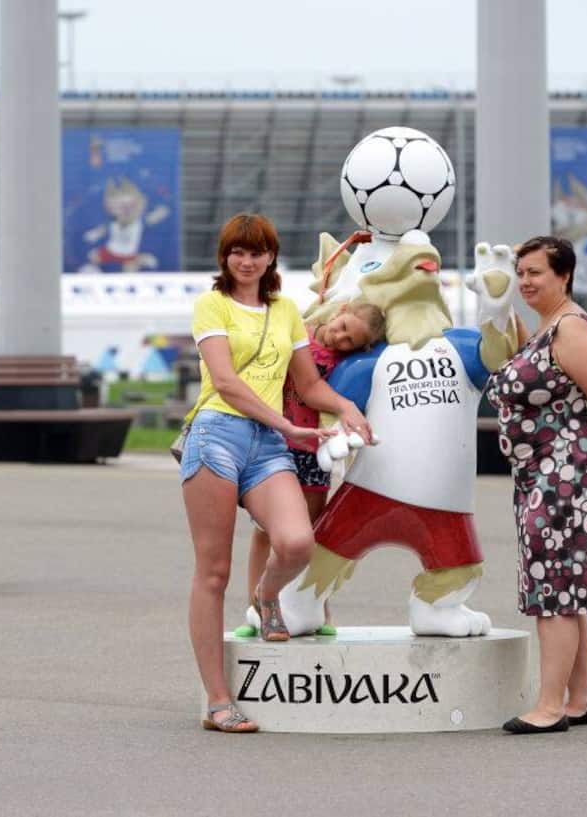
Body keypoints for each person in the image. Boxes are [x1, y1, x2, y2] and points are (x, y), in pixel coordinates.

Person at [181, 213, 372, 733]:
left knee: (296, 542)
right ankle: (219, 701)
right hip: (216, 436)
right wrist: (288, 425)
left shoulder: (286, 310)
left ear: (271, 257)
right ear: (224, 257)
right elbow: (224, 382)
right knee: (213, 573)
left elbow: (309, 384)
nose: (247, 261)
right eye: (238, 252)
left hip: (266, 444)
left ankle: (267, 596)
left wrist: (345, 408)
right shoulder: (211, 305)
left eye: (258, 252)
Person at [485, 235, 587, 735]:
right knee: (567, 588)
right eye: (521, 272)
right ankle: (577, 700)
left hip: (563, 476)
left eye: (535, 273)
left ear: (563, 275)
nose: (524, 281)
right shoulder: (550, 328)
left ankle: (547, 707)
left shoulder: (571, 328)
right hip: (545, 472)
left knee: (553, 591)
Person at [241, 301, 386, 636]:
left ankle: (315, 604)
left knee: (312, 532)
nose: (341, 338)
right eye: (344, 327)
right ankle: (256, 604)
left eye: (351, 340)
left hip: (314, 448)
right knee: (266, 531)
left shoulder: (346, 363)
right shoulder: (299, 335)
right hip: (277, 444)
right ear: (341, 310)